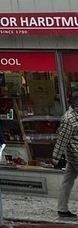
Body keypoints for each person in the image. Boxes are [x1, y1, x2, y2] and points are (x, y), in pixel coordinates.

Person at [52, 88, 78, 219]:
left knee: (67, 181)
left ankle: (62, 208)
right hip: (75, 154)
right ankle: (62, 209)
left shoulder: (74, 116)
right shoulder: (69, 119)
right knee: (67, 182)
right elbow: (62, 139)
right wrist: (56, 156)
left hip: (73, 155)